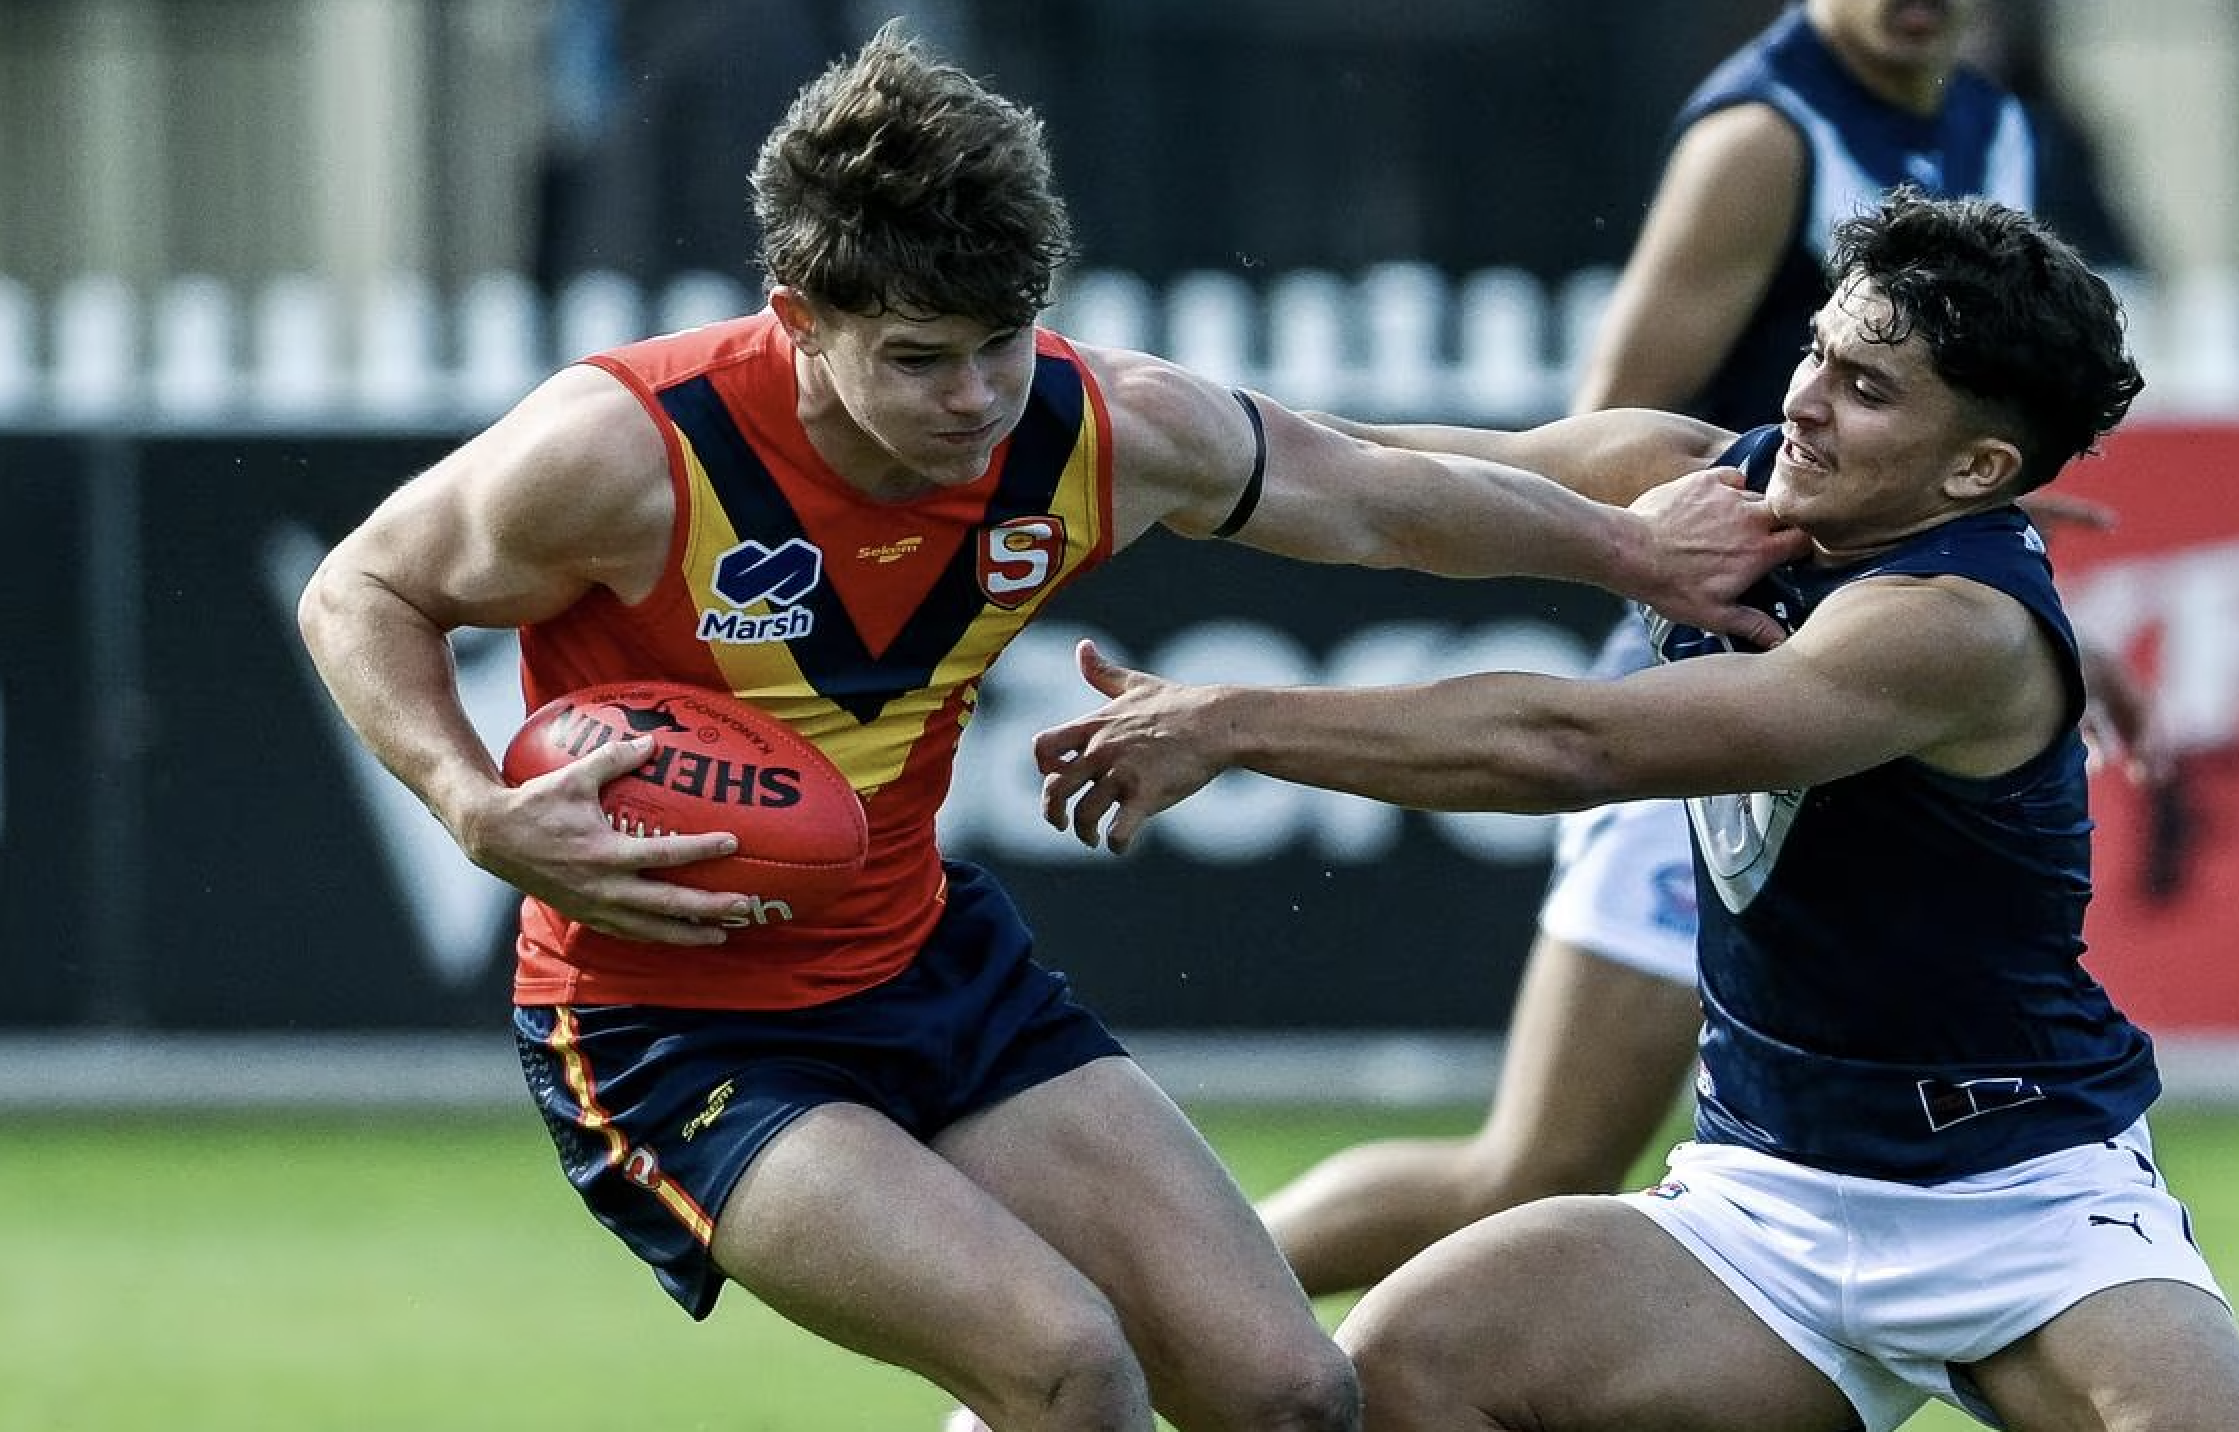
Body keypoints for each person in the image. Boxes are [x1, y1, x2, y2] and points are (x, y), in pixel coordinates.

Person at [295, 22, 1799, 1432]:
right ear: (800, 319)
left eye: (1003, 342)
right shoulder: (627, 453)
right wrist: (473, 805)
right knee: (1069, 1365)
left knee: (1290, 1394)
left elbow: (1383, 504)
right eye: (920, 358)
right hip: (671, 1030)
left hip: (933, 966)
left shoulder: (1097, 428)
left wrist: (1630, 551)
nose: (975, 400)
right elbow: (361, 588)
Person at [1032, 190, 2239, 1431]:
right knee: (1410, 1364)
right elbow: (1366, 471)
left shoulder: (1950, 629)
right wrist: (1079, 404)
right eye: (1819, 349)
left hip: (2020, 1206)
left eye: (1867, 389)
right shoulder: (1697, 478)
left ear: (1977, 467)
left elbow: (1569, 745)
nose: (1802, 397)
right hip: (1763, 1205)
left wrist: (1230, 721)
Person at [1259, 0, 2162, 1300]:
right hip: (1729, 674)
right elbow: (1608, 437)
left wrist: (1992, 583)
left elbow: (1965, 436)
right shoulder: (1761, 138)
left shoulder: (1995, 120)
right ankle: (1160, 1316)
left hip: (1855, 667)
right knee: (1531, 1167)